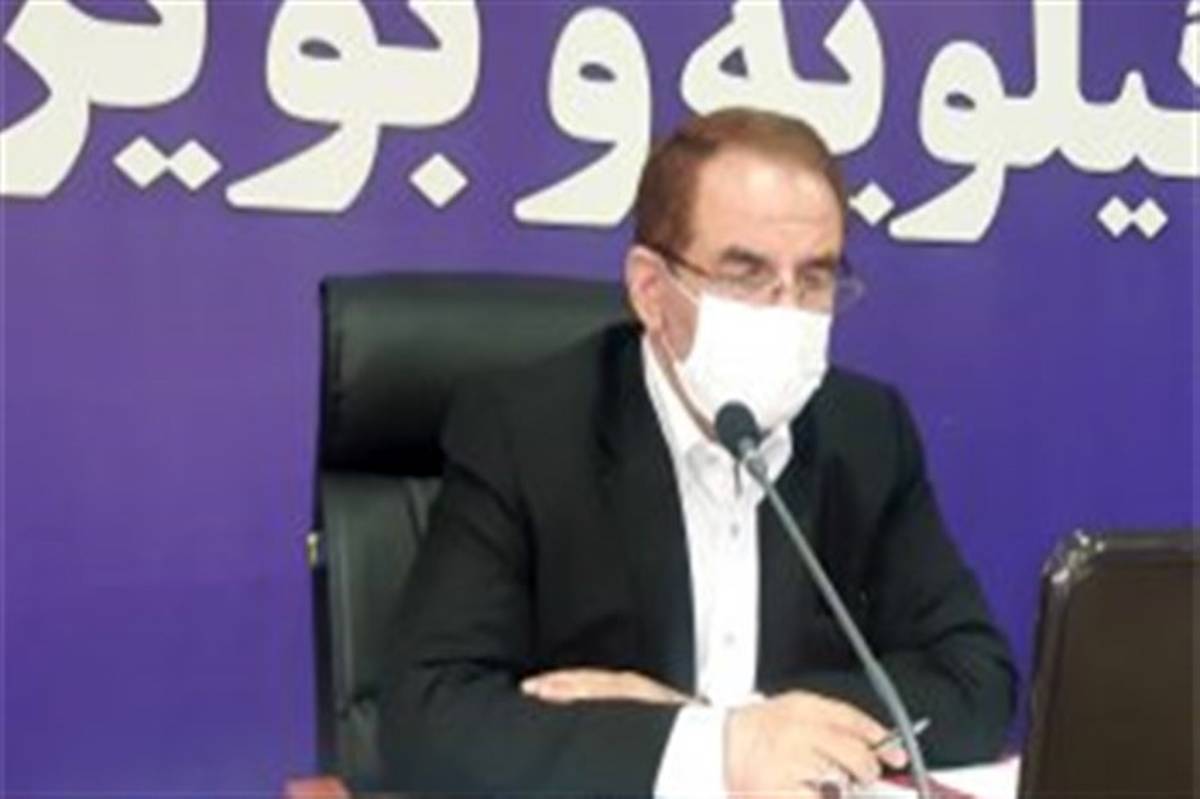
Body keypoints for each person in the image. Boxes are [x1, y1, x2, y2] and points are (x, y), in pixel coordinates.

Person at [378, 108, 1017, 797]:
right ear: (651, 291)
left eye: (815, 278)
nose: (786, 311)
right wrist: (722, 749)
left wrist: (723, 726)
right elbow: (428, 719)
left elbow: (975, 681)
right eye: (746, 274)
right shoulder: (527, 431)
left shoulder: (865, 432)